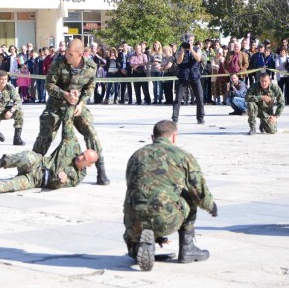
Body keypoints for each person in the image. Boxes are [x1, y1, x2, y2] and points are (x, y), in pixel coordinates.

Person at [123, 120, 217, 271]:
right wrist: (211, 206)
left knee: (139, 195)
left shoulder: (136, 155)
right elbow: (199, 190)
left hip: (134, 221)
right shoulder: (182, 156)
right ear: (174, 137)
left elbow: (131, 185)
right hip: (167, 219)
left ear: (152, 137)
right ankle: (187, 249)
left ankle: (138, 247)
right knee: (188, 196)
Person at [32, 38, 110, 186]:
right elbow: (49, 85)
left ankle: (101, 170)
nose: (66, 55)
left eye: (70, 54)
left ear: (80, 54)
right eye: (66, 52)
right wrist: (65, 94)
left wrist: (81, 103)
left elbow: (89, 88)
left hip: (76, 106)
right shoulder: (58, 63)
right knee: (45, 134)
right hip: (57, 103)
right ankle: (30, 166)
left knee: (90, 130)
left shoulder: (91, 67)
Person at [0, 138, 98, 199]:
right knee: (28, 156)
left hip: (36, 179)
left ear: (89, 165)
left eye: (84, 159)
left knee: (12, 185)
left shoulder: (77, 177)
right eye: (82, 154)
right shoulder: (73, 149)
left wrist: (62, 181)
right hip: (39, 163)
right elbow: (68, 124)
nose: (80, 157)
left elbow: (57, 185)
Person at [172, 33, 205, 124]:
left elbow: (198, 58)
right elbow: (179, 61)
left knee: (200, 97)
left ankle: (200, 117)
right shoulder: (180, 49)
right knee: (178, 98)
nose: (190, 42)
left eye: (191, 40)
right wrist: (183, 50)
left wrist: (191, 50)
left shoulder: (197, 49)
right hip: (183, 75)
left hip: (194, 75)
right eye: (188, 40)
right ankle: (175, 118)